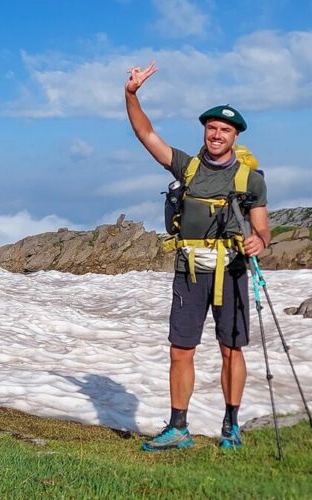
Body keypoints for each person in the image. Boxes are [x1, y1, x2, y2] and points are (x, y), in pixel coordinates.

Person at [124, 61, 270, 451]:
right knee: (180, 349)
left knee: (231, 348)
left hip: (233, 272)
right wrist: (132, 94)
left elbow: (262, 229)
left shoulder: (250, 178)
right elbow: (145, 133)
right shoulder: (187, 167)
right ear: (204, 131)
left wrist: (258, 242)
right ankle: (178, 428)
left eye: (224, 129)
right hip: (189, 271)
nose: (216, 134)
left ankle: (231, 427)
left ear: (235, 135)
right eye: (211, 128)